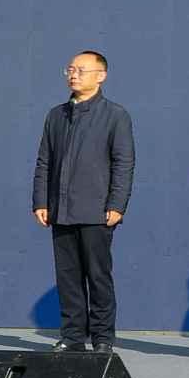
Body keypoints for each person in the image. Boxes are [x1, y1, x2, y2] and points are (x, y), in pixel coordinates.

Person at [32, 49, 134, 352]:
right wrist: (41, 201)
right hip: (60, 211)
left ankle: (102, 338)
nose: (73, 75)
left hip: (96, 211)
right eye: (70, 70)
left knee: (98, 276)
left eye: (80, 70)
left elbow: (124, 163)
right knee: (67, 277)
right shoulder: (56, 115)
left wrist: (116, 205)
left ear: (101, 76)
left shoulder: (115, 115)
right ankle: (73, 336)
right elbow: (44, 161)